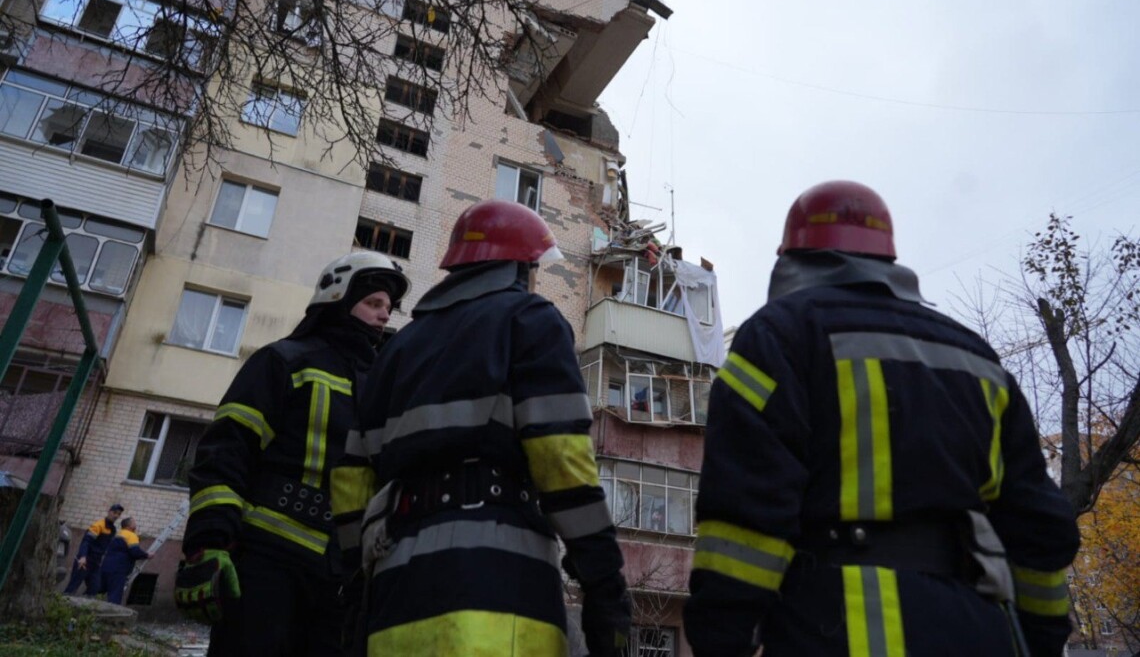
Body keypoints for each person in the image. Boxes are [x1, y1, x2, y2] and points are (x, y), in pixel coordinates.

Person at [684, 181, 1081, 657]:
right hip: (979, 628)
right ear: (887, 259)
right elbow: (1038, 529)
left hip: (835, 628)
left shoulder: (778, 336)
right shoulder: (977, 359)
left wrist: (720, 639)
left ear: (792, 258)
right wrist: (1041, 638)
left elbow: (746, 517)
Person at [332, 199, 631, 656]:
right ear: (519, 268)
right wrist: (604, 580)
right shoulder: (531, 320)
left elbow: (351, 478)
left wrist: (356, 581)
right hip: (500, 597)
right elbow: (562, 460)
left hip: (395, 602)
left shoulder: (396, 350)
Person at [174, 251, 410, 657]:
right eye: (374, 302)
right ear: (338, 297)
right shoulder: (283, 360)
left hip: (342, 577)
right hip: (266, 561)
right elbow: (227, 450)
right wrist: (208, 541)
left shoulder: (381, 388)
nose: (385, 315)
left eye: (388, 307)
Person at [63, 503, 122, 596]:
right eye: (115, 513)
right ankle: (65, 599)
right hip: (85, 560)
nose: (116, 516)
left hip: (96, 563)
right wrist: (83, 557)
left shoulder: (112, 529)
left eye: (119, 514)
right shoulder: (98, 525)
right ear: (109, 512)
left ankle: (84, 601)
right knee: (73, 586)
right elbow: (86, 541)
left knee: (95, 587)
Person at [100, 517, 151, 604]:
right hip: (119, 569)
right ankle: (112, 611)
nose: (136, 524)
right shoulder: (131, 535)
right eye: (134, 522)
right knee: (114, 596)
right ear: (129, 526)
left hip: (106, 567)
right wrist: (147, 555)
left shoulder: (117, 534)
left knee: (99, 590)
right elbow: (135, 552)